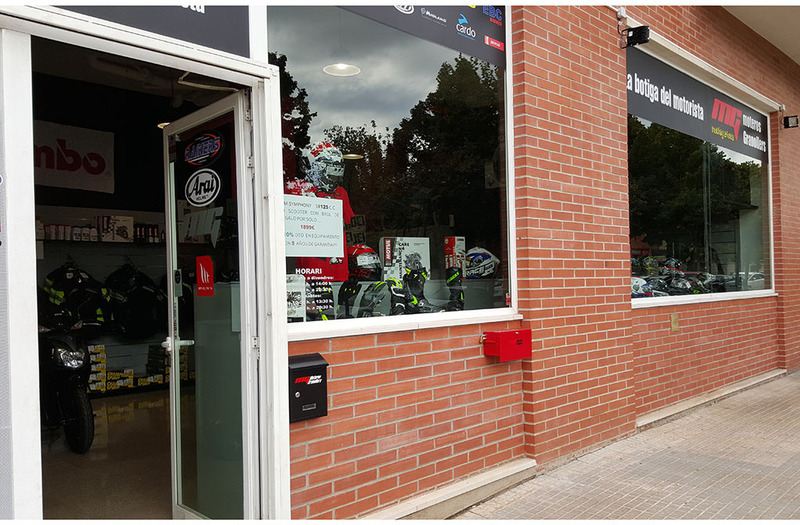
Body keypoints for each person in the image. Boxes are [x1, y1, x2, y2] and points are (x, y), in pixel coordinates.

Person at [285, 141, 354, 320]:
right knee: (306, 316)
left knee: (330, 315)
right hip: (307, 268)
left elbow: (346, 222)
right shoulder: (296, 189)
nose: (333, 177)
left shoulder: (341, 192)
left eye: (337, 170)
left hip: (335, 267)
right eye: (330, 170)